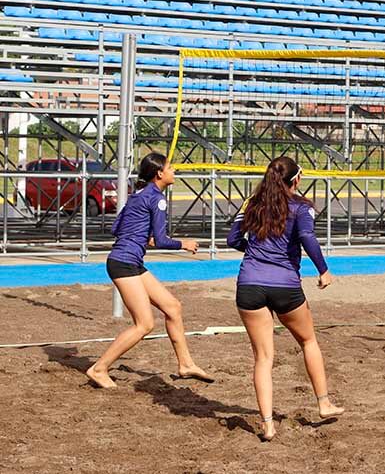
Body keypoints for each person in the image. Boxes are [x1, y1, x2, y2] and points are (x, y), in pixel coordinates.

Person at [227, 156, 344, 441]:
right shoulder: (301, 207)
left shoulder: (252, 204)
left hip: (249, 283)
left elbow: (232, 239)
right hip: (284, 284)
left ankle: (267, 425)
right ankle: (324, 403)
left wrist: (256, 254)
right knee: (308, 341)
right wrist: (324, 270)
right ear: (296, 180)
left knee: (263, 358)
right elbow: (306, 237)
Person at [86, 152, 212, 389]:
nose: (174, 171)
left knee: (173, 307)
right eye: (170, 167)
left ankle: (186, 364)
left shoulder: (137, 196)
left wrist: (142, 237)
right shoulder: (157, 198)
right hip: (124, 263)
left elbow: (117, 228)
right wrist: (183, 244)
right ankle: (99, 368)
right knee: (144, 324)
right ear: (159, 174)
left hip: (128, 261)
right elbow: (162, 240)